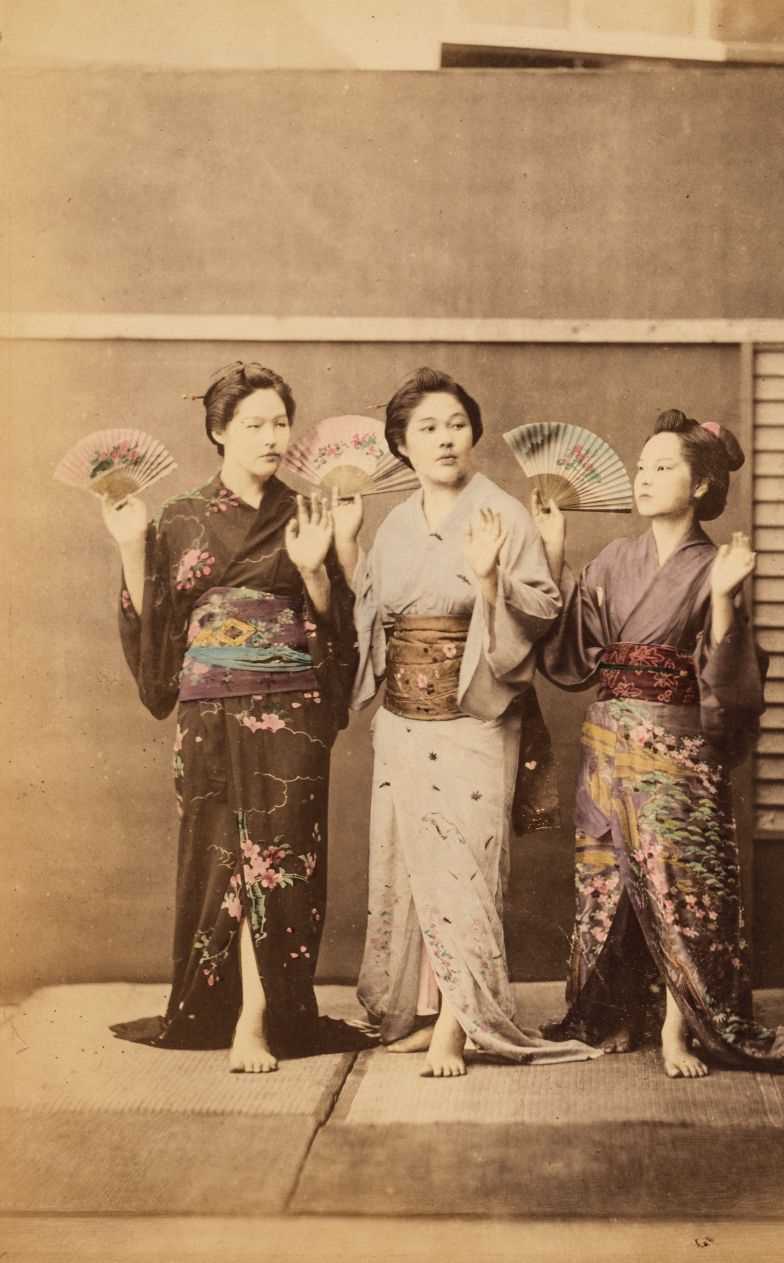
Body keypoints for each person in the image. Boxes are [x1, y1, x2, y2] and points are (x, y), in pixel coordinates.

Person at [533, 408, 784, 1076]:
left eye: (662, 467)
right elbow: (572, 652)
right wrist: (553, 552)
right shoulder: (615, 557)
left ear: (701, 484)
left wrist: (724, 599)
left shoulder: (715, 563)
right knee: (606, 883)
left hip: (677, 750)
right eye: (640, 467)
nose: (643, 478)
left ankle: (678, 1027)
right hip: (606, 743)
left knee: (679, 887)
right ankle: (612, 1013)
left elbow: (729, 680)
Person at [103, 361, 374, 1071]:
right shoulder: (182, 517)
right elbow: (159, 620)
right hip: (209, 708)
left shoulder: (308, 509)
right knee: (221, 850)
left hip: (290, 705)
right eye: (253, 423)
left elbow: (342, 623)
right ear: (219, 431)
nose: (271, 436)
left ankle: (259, 1016)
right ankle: (219, 1008)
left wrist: (317, 569)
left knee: (279, 855)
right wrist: (131, 545)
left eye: (280, 421)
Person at [335, 366, 599, 1077]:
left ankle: (461, 1020)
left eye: (456, 423)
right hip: (403, 717)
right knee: (413, 863)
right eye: (427, 427)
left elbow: (541, 609)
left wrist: (489, 581)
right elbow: (372, 611)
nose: (446, 438)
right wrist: (348, 548)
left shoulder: (502, 512)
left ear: (474, 432)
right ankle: (425, 1011)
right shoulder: (394, 521)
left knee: (467, 864)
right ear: (402, 445)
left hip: (475, 711)